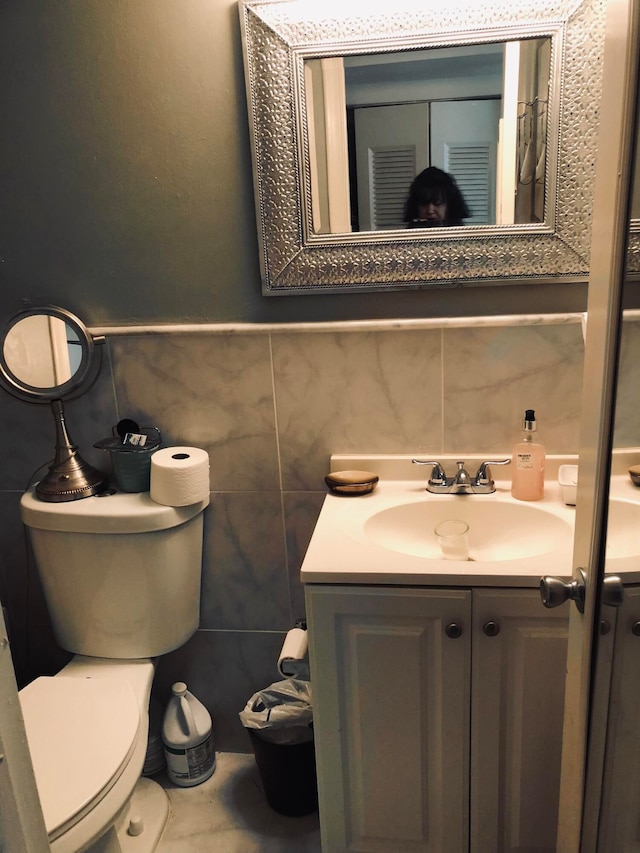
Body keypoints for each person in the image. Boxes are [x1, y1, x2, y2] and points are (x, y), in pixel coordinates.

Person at [404, 166, 470, 227]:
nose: (430, 211)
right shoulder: (407, 238)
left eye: (437, 203)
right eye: (423, 203)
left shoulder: (462, 237)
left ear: (450, 205)